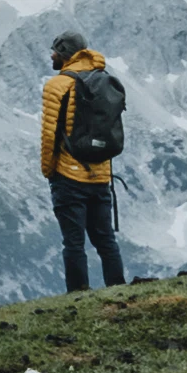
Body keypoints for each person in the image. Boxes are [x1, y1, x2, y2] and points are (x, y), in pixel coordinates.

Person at [36, 31, 127, 292]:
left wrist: (49, 171)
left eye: (54, 50)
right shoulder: (105, 80)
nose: (51, 55)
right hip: (101, 175)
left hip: (68, 175)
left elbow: (49, 134)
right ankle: (119, 289)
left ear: (64, 53)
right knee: (106, 239)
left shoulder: (57, 85)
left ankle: (78, 294)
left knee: (73, 243)